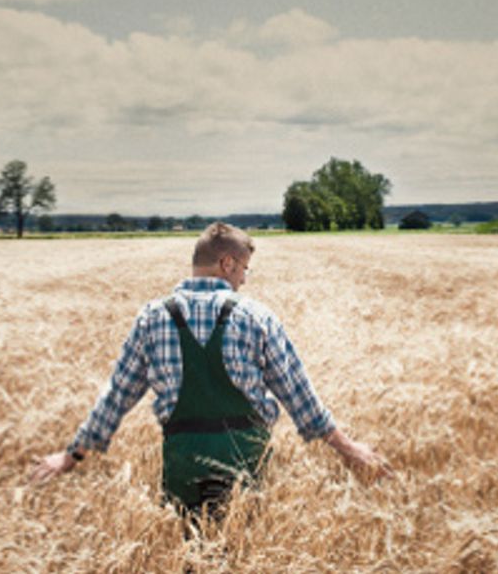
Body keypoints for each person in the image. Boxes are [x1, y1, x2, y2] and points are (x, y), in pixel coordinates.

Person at [29, 222, 390, 518]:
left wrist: (70, 456)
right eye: (244, 268)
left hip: (183, 461)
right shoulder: (256, 317)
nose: (245, 279)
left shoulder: (152, 318)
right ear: (228, 264)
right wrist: (348, 448)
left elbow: (116, 398)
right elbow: (299, 397)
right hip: (246, 458)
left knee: (188, 552)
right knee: (245, 552)